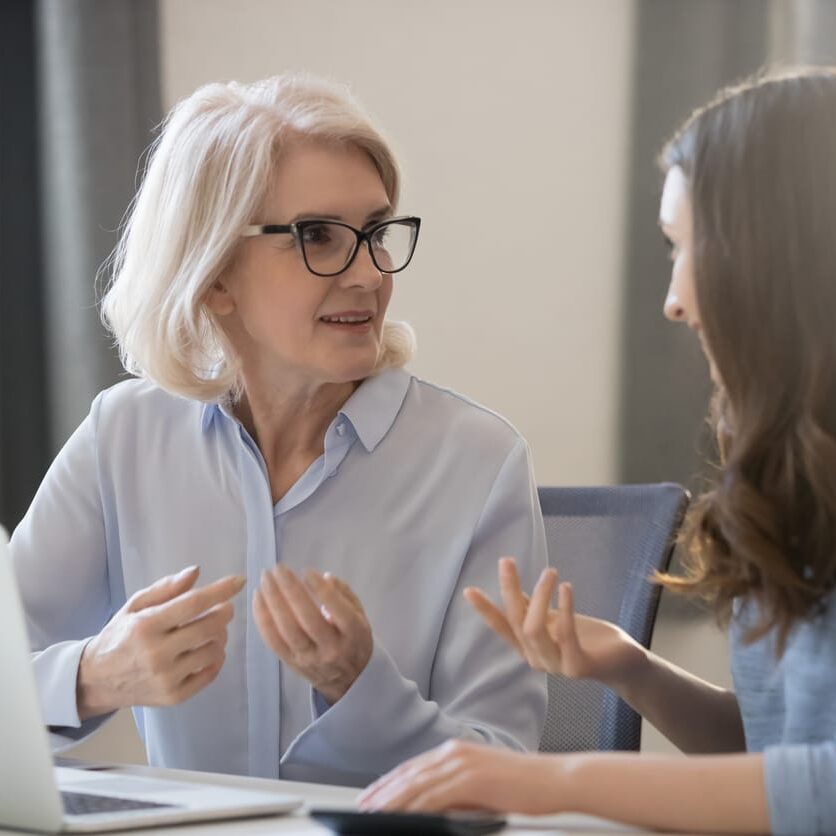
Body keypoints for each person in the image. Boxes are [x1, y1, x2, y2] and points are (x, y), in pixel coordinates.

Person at [9, 73, 547, 787]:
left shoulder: (480, 462)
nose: (367, 274)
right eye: (318, 236)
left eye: (376, 232)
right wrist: (96, 676)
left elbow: (505, 771)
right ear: (213, 273)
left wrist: (361, 689)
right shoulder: (124, 436)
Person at [359, 67, 836, 834]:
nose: (674, 298)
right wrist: (630, 669)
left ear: (780, 256)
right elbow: (776, 755)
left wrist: (549, 779)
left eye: (689, 248)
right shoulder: (796, 468)